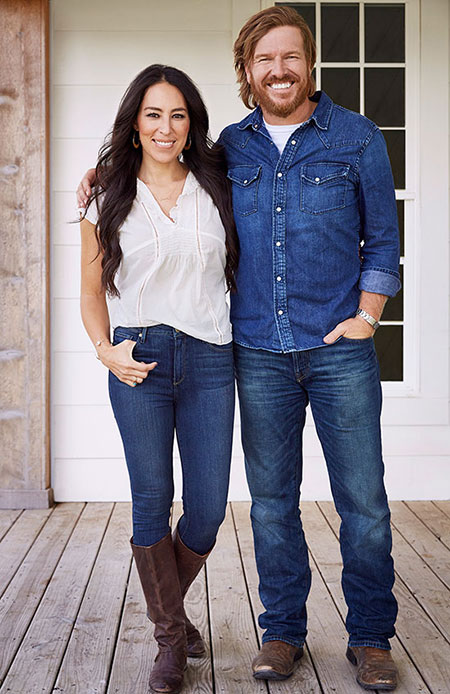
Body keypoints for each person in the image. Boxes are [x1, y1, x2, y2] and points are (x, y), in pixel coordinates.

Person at [77, 7, 400, 691]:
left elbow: (384, 241)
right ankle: (281, 631)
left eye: (290, 57)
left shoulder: (357, 137)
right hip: (255, 350)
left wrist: (368, 316)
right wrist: (99, 171)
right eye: (264, 60)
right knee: (273, 502)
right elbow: (156, 165)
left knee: (363, 501)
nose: (278, 70)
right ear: (246, 72)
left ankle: (370, 636)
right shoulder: (234, 147)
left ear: (309, 63)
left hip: (335, 348)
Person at [79, 64, 238, 694]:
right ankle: (171, 641)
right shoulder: (105, 194)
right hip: (136, 358)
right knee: (151, 499)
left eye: (177, 114)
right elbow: (91, 293)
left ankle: (163, 607)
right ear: (135, 123)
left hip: (209, 356)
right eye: (153, 115)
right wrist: (104, 350)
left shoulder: (220, 181)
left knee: (205, 508)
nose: (166, 127)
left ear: (191, 121)